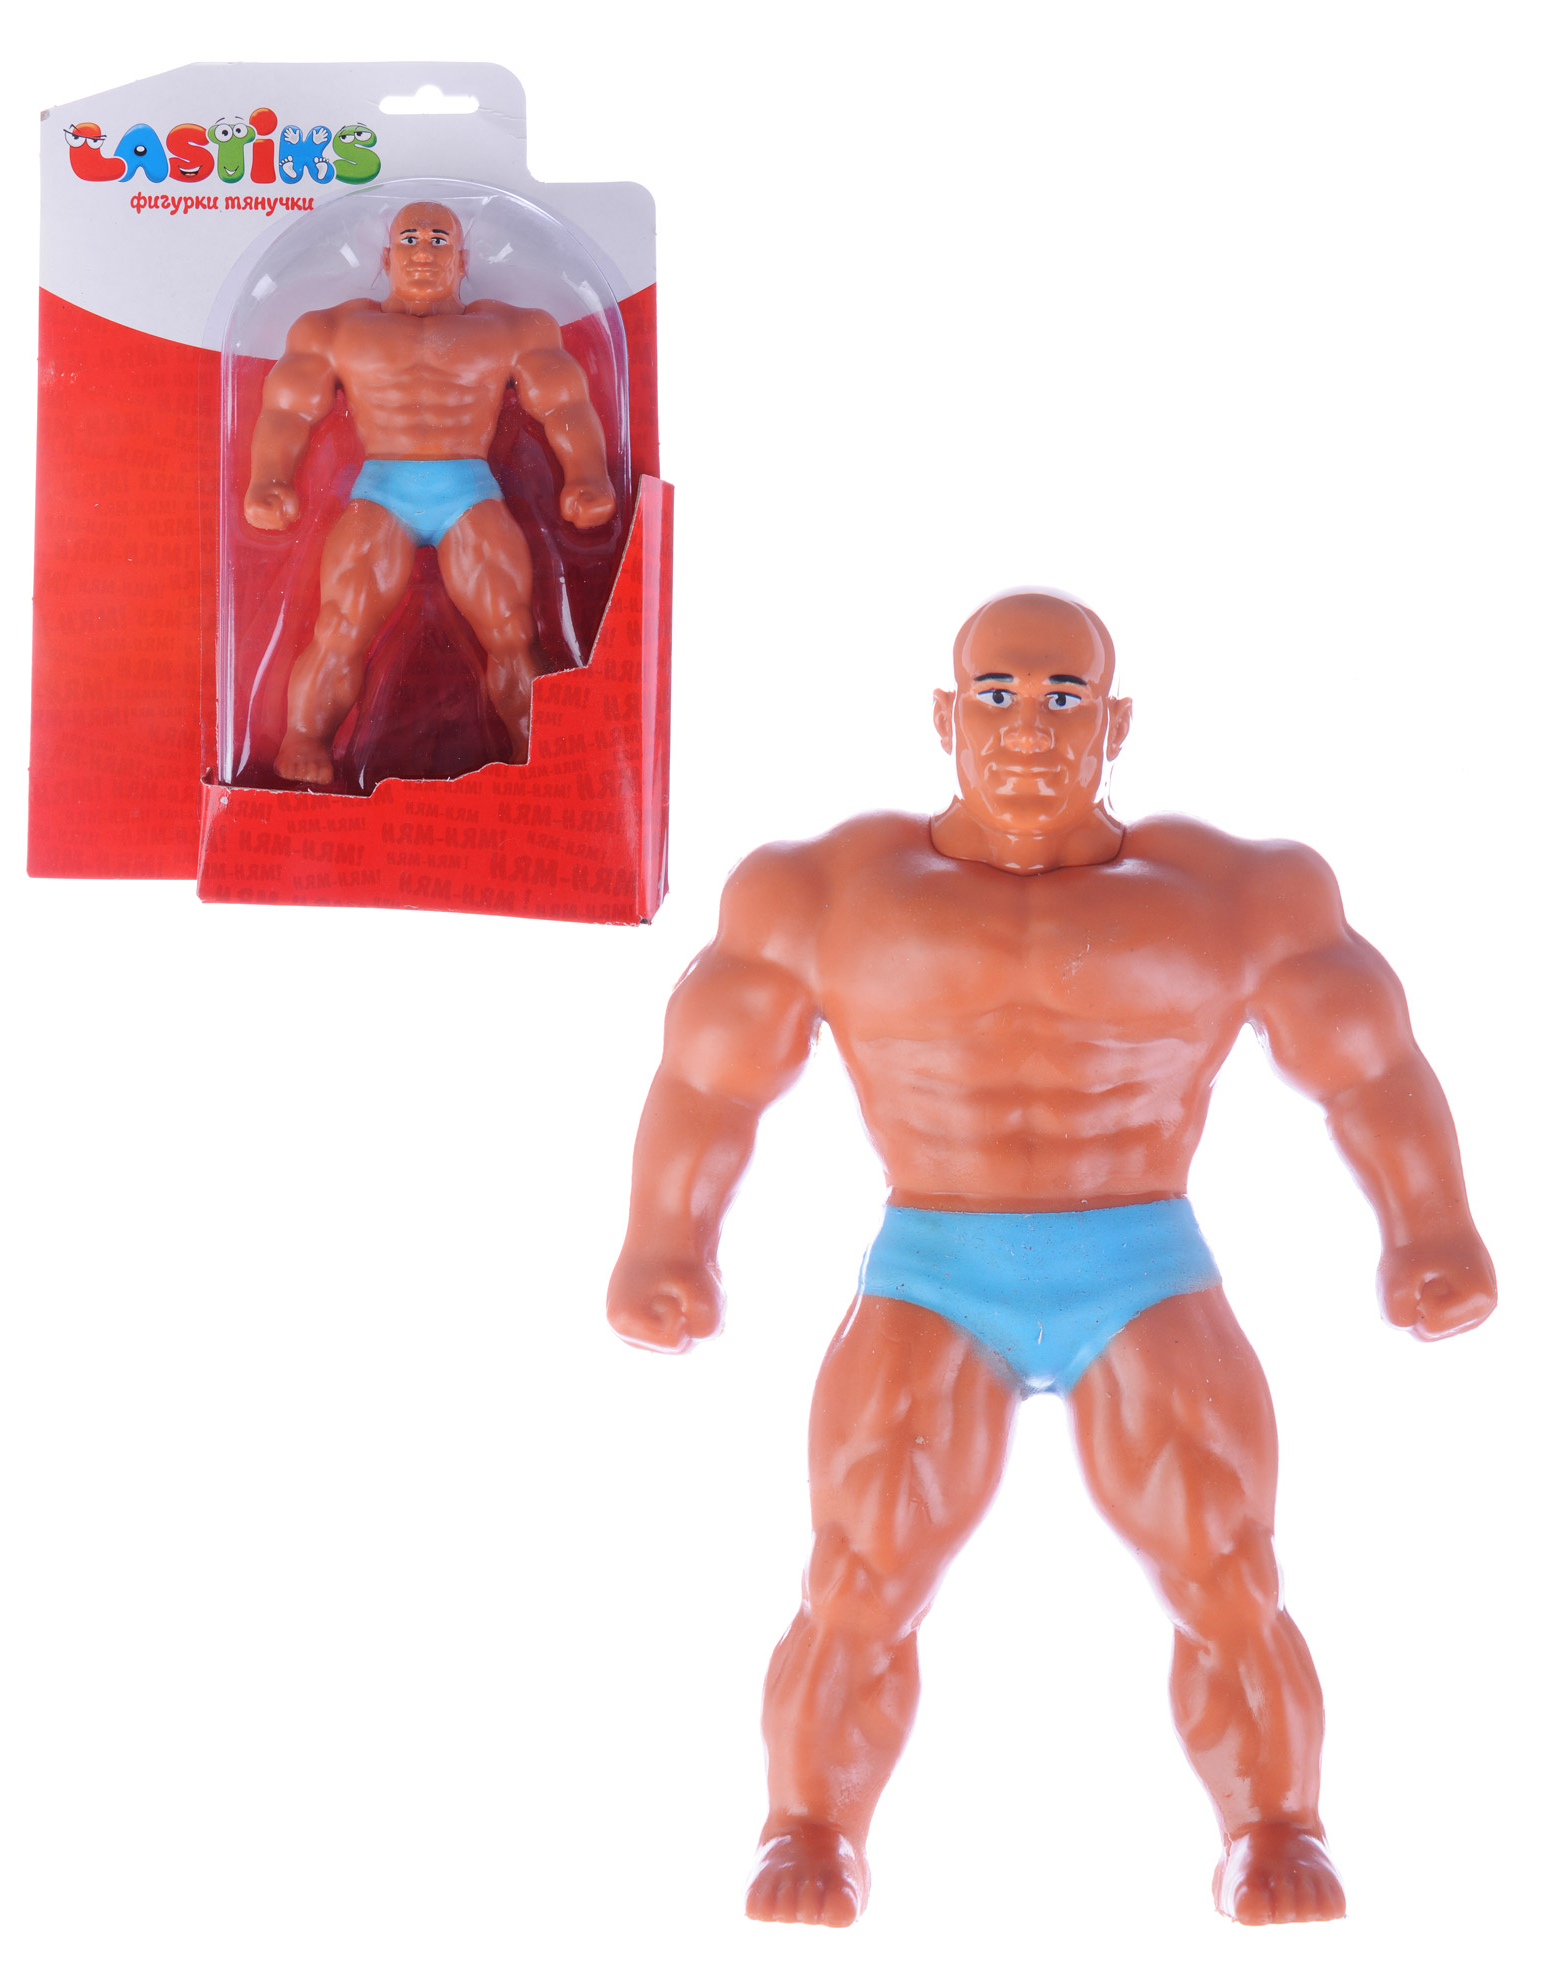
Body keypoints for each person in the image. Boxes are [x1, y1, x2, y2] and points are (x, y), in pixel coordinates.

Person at [607, 588, 1496, 1927]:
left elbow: (1368, 1067)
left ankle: (1273, 1824)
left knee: (1225, 1563)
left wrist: (1429, 1226)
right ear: (944, 714)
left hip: (1138, 1258)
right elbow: (709, 1078)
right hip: (932, 1260)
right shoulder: (822, 892)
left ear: (1114, 721)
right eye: (999, 694)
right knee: (859, 1569)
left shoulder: (1234, 894)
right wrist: (664, 1241)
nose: (1029, 725)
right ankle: (809, 1824)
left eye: (1063, 696)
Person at [245, 201, 616, 780]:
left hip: (467, 491)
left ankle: (536, 748)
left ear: (462, 260)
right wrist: (269, 478)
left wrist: (588, 475)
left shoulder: (510, 329)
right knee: (341, 624)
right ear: (386, 257)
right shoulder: (336, 329)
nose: (423, 252)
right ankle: (305, 739)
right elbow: (288, 409)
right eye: (411, 239)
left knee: (511, 627)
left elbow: (564, 401)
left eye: (438, 240)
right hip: (382, 492)